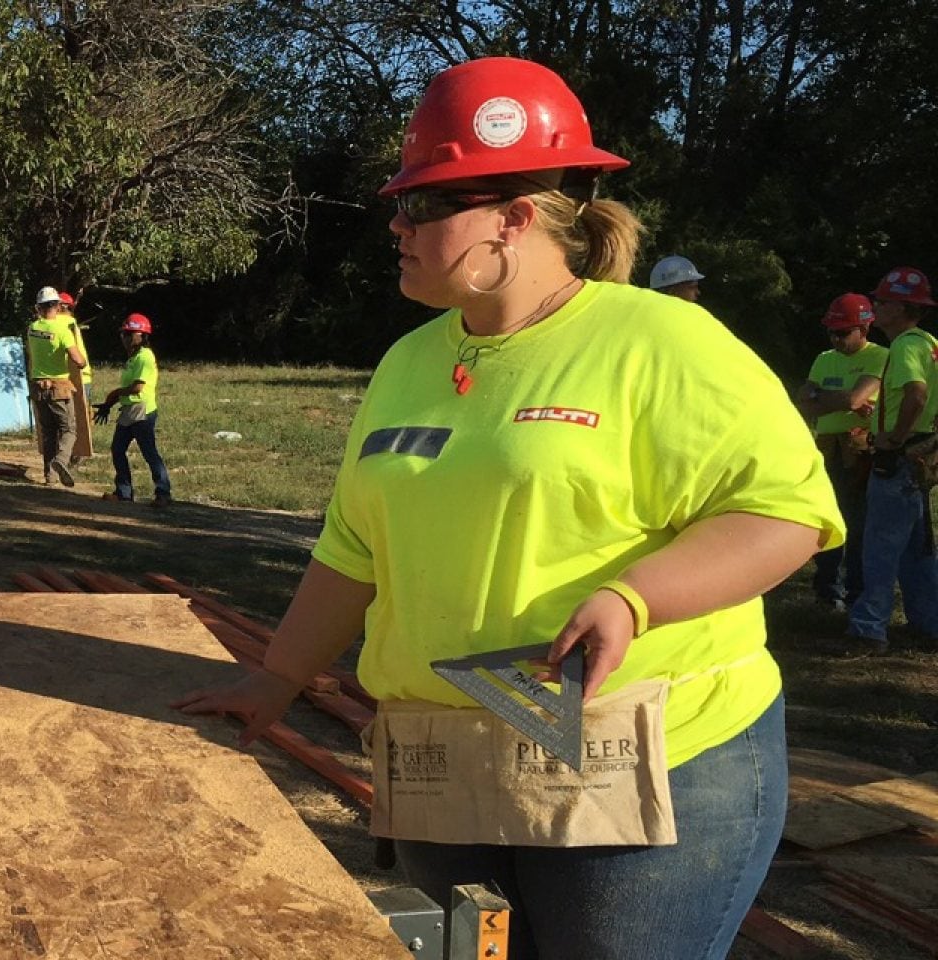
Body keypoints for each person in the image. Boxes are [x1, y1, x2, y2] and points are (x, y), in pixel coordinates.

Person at [174, 57, 839, 960]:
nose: (397, 227)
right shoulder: (410, 361)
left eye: (423, 208)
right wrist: (276, 679)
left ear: (514, 219)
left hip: (644, 761)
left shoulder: (659, 342)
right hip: (452, 769)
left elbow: (783, 514)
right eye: (399, 205)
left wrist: (633, 598)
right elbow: (354, 550)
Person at [846, 267, 938, 655]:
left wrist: (895, 438)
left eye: (882, 302)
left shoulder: (904, 347)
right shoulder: (929, 342)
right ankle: (928, 622)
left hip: (899, 458)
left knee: (880, 545)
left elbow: (915, 395)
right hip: (920, 456)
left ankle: (869, 628)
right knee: (917, 548)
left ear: (902, 308)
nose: (876, 308)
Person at [794, 293, 885, 612]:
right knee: (828, 518)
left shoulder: (881, 357)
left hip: (858, 450)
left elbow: (854, 400)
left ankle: (856, 590)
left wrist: (823, 396)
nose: (836, 338)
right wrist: (840, 397)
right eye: (832, 331)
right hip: (827, 448)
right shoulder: (824, 357)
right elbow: (804, 400)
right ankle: (826, 587)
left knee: (857, 521)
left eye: (843, 332)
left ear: (865, 328)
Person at [94, 313, 172, 507]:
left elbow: (138, 387)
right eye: (124, 334)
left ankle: (163, 493)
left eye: (130, 334)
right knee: (117, 449)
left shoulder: (145, 357)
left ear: (142, 335)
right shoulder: (132, 358)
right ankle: (123, 493)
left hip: (141, 410)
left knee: (148, 452)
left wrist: (115, 394)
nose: (126, 338)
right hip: (129, 410)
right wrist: (109, 404)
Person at [26, 286, 87, 485]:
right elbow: (78, 360)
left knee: (49, 434)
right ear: (58, 306)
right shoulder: (62, 330)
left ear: (38, 307)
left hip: (38, 388)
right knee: (69, 430)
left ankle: (49, 477)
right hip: (58, 387)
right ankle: (61, 461)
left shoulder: (33, 329)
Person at [59, 291, 94, 467]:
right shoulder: (72, 323)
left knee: (73, 417)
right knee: (82, 416)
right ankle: (77, 454)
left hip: (76, 376)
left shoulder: (66, 322)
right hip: (82, 375)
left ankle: (75, 454)